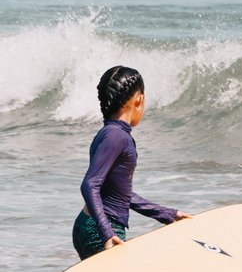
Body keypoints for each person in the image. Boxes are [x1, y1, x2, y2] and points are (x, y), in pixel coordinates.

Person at [72, 66, 191, 260]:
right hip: (101, 229)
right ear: (139, 100)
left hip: (91, 225)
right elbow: (90, 184)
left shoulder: (109, 133)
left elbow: (119, 193)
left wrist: (166, 214)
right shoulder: (116, 136)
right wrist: (107, 232)